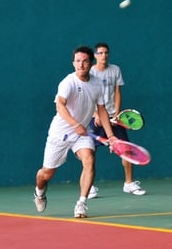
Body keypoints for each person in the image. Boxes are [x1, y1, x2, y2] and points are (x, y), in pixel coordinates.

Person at [33, 46, 117, 218]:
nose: (81, 65)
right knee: (46, 173)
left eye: (85, 61)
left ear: (91, 63)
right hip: (60, 133)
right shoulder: (68, 82)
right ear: (73, 63)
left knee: (89, 159)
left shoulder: (96, 84)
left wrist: (111, 136)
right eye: (78, 61)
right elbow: (60, 105)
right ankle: (39, 192)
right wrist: (74, 124)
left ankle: (81, 203)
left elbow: (101, 110)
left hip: (82, 133)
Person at [87, 42, 146, 199]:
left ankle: (129, 183)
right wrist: (96, 114)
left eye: (106, 53)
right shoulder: (90, 72)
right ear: (95, 55)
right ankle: (90, 186)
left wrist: (117, 113)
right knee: (90, 152)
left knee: (126, 150)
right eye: (100, 53)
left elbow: (117, 92)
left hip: (114, 117)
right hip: (95, 118)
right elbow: (88, 95)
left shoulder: (115, 70)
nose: (103, 56)